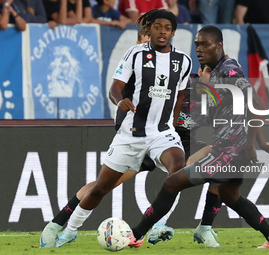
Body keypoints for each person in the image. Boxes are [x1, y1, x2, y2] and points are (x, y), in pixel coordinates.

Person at [129, 25, 269, 249]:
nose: (200, 49)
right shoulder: (214, 72)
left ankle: (135, 236)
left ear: (219, 46)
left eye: (206, 45)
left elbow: (255, 102)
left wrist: (253, 144)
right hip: (231, 149)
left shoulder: (229, 69)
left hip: (229, 151)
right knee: (231, 197)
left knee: (171, 183)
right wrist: (260, 143)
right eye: (197, 45)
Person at [53, 9, 193, 248]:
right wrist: (120, 101)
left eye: (167, 28)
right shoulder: (134, 54)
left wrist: (173, 123)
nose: (162, 32)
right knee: (100, 188)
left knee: (177, 171)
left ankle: (151, 227)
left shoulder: (184, 61)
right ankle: (70, 230)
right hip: (131, 134)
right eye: (157, 27)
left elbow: (179, 97)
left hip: (162, 133)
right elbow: (114, 89)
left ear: (173, 32)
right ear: (148, 30)